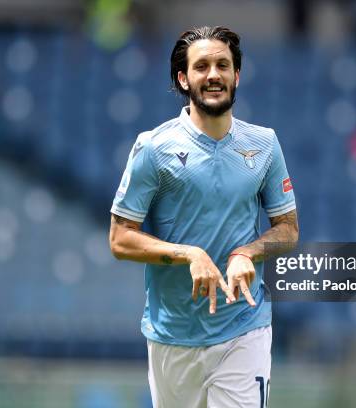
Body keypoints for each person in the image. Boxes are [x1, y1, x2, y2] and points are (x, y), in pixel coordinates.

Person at [109, 26, 298, 408]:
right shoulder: (153, 147)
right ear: (183, 78)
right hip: (172, 334)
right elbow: (120, 238)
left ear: (236, 75)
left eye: (223, 65)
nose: (213, 74)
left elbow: (288, 231)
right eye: (202, 66)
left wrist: (247, 253)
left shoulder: (264, 144)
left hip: (244, 327)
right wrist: (189, 254)